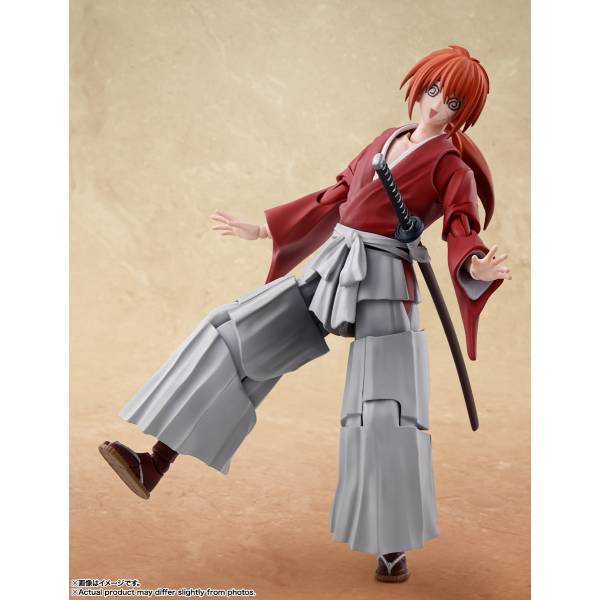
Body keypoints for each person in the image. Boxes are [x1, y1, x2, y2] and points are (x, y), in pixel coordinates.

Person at [99, 45, 511, 584]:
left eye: (451, 101)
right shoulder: (386, 141)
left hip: (387, 283)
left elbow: (461, 224)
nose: (435, 105)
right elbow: (335, 196)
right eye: (432, 90)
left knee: (385, 407)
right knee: (235, 334)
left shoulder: (451, 167)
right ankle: (155, 462)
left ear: (463, 113)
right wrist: (264, 229)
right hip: (335, 266)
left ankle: (391, 542)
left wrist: (475, 266)